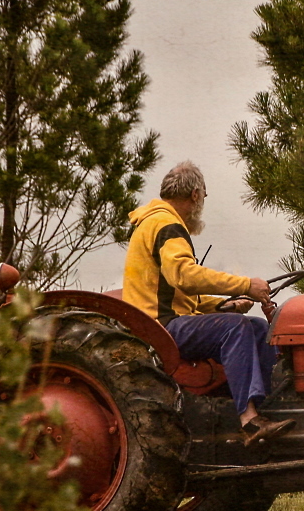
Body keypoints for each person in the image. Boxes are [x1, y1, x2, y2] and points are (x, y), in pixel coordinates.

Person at [122, 161, 295, 445]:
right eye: (204, 195)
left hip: (167, 321)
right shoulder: (166, 223)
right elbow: (184, 275)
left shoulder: (153, 221)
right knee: (236, 328)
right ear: (195, 194)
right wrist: (245, 285)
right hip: (159, 328)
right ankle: (249, 420)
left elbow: (180, 295)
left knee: (257, 328)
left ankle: (266, 409)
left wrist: (223, 305)